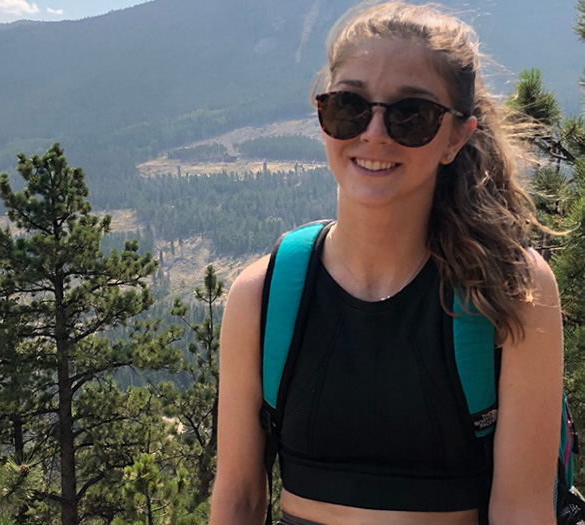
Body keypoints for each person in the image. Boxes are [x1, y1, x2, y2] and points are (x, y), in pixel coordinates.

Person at [209, 2, 564, 524]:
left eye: (411, 115)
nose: (374, 133)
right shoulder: (261, 297)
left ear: (455, 138)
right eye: (349, 106)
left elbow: (523, 510)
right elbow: (236, 502)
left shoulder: (511, 291)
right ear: (322, 115)